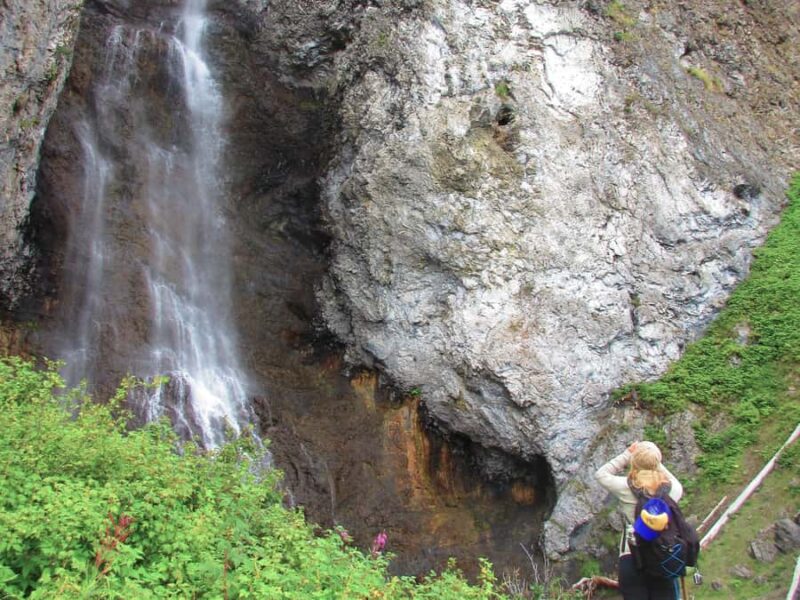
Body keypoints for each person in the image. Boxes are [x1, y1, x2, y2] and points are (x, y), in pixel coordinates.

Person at [595, 441, 683, 600]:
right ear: (657, 462)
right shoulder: (672, 490)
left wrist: (628, 454)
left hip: (631, 555)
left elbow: (601, 474)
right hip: (662, 555)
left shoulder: (625, 487)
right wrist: (654, 461)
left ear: (634, 463)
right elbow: (675, 482)